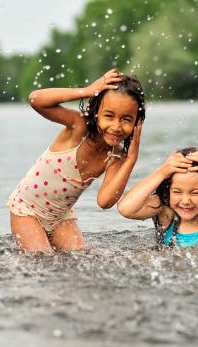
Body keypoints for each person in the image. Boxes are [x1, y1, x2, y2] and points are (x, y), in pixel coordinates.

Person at [8, 68, 145, 253]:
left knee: (81, 255)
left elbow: (105, 202)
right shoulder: (78, 126)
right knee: (41, 257)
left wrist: (131, 160)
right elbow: (35, 99)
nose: (116, 126)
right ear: (96, 112)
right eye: (109, 116)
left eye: (126, 119)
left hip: (61, 216)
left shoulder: (116, 156)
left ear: (138, 123)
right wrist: (87, 91)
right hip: (27, 209)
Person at [117, 147, 198, 248]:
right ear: (168, 190)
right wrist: (162, 172)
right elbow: (125, 209)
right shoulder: (166, 213)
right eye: (177, 192)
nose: (185, 201)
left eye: (195, 193)